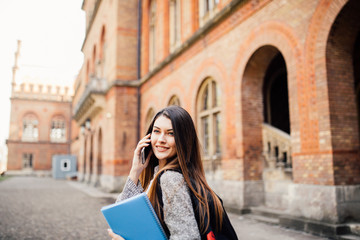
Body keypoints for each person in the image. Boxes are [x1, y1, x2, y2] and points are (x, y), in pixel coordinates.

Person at [108, 105, 238, 240]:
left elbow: (187, 237)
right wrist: (135, 171)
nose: (161, 139)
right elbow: (121, 217)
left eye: (171, 133)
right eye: (156, 131)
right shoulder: (161, 174)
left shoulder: (170, 179)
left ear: (183, 140)